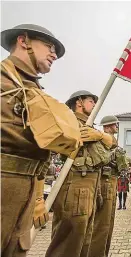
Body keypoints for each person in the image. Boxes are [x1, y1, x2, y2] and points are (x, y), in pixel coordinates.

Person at [1, 24, 66, 257]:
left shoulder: (34, 89)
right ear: (23, 41)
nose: (54, 54)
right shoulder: (3, 79)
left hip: (26, 190)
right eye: (49, 46)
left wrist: (38, 196)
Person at [46, 91, 116, 257]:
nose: (94, 105)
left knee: (84, 239)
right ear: (79, 102)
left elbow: (113, 143)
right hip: (75, 185)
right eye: (91, 101)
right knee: (68, 243)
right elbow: (46, 151)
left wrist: (99, 134)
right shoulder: (68, 122)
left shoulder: (92, 127)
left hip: (91, 186)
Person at [89, 115, 122, 257]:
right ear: (108, 126)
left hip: (112, 180)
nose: (117, 126)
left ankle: (103, 253)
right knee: (101, 225)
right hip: (104, 181)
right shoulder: (101, 139)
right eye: (115, 124)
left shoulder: (113, 141)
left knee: (108, 223)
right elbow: (101, 160)